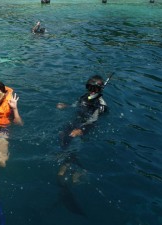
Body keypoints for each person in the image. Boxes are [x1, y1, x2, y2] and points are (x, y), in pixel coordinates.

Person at [55, 75, 108, 215]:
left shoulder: (101, 105)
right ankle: (66, 162)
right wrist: (65, 106)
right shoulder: (84, 97)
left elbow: (93, 121)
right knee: (61, 135)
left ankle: (76, 174)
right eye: (89, 87)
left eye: (94, 88)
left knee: (72, 147)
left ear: (100, 89)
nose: (91, 91)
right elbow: (75, 105)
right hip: (75, 122)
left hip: (84, 128)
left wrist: (81, 130)